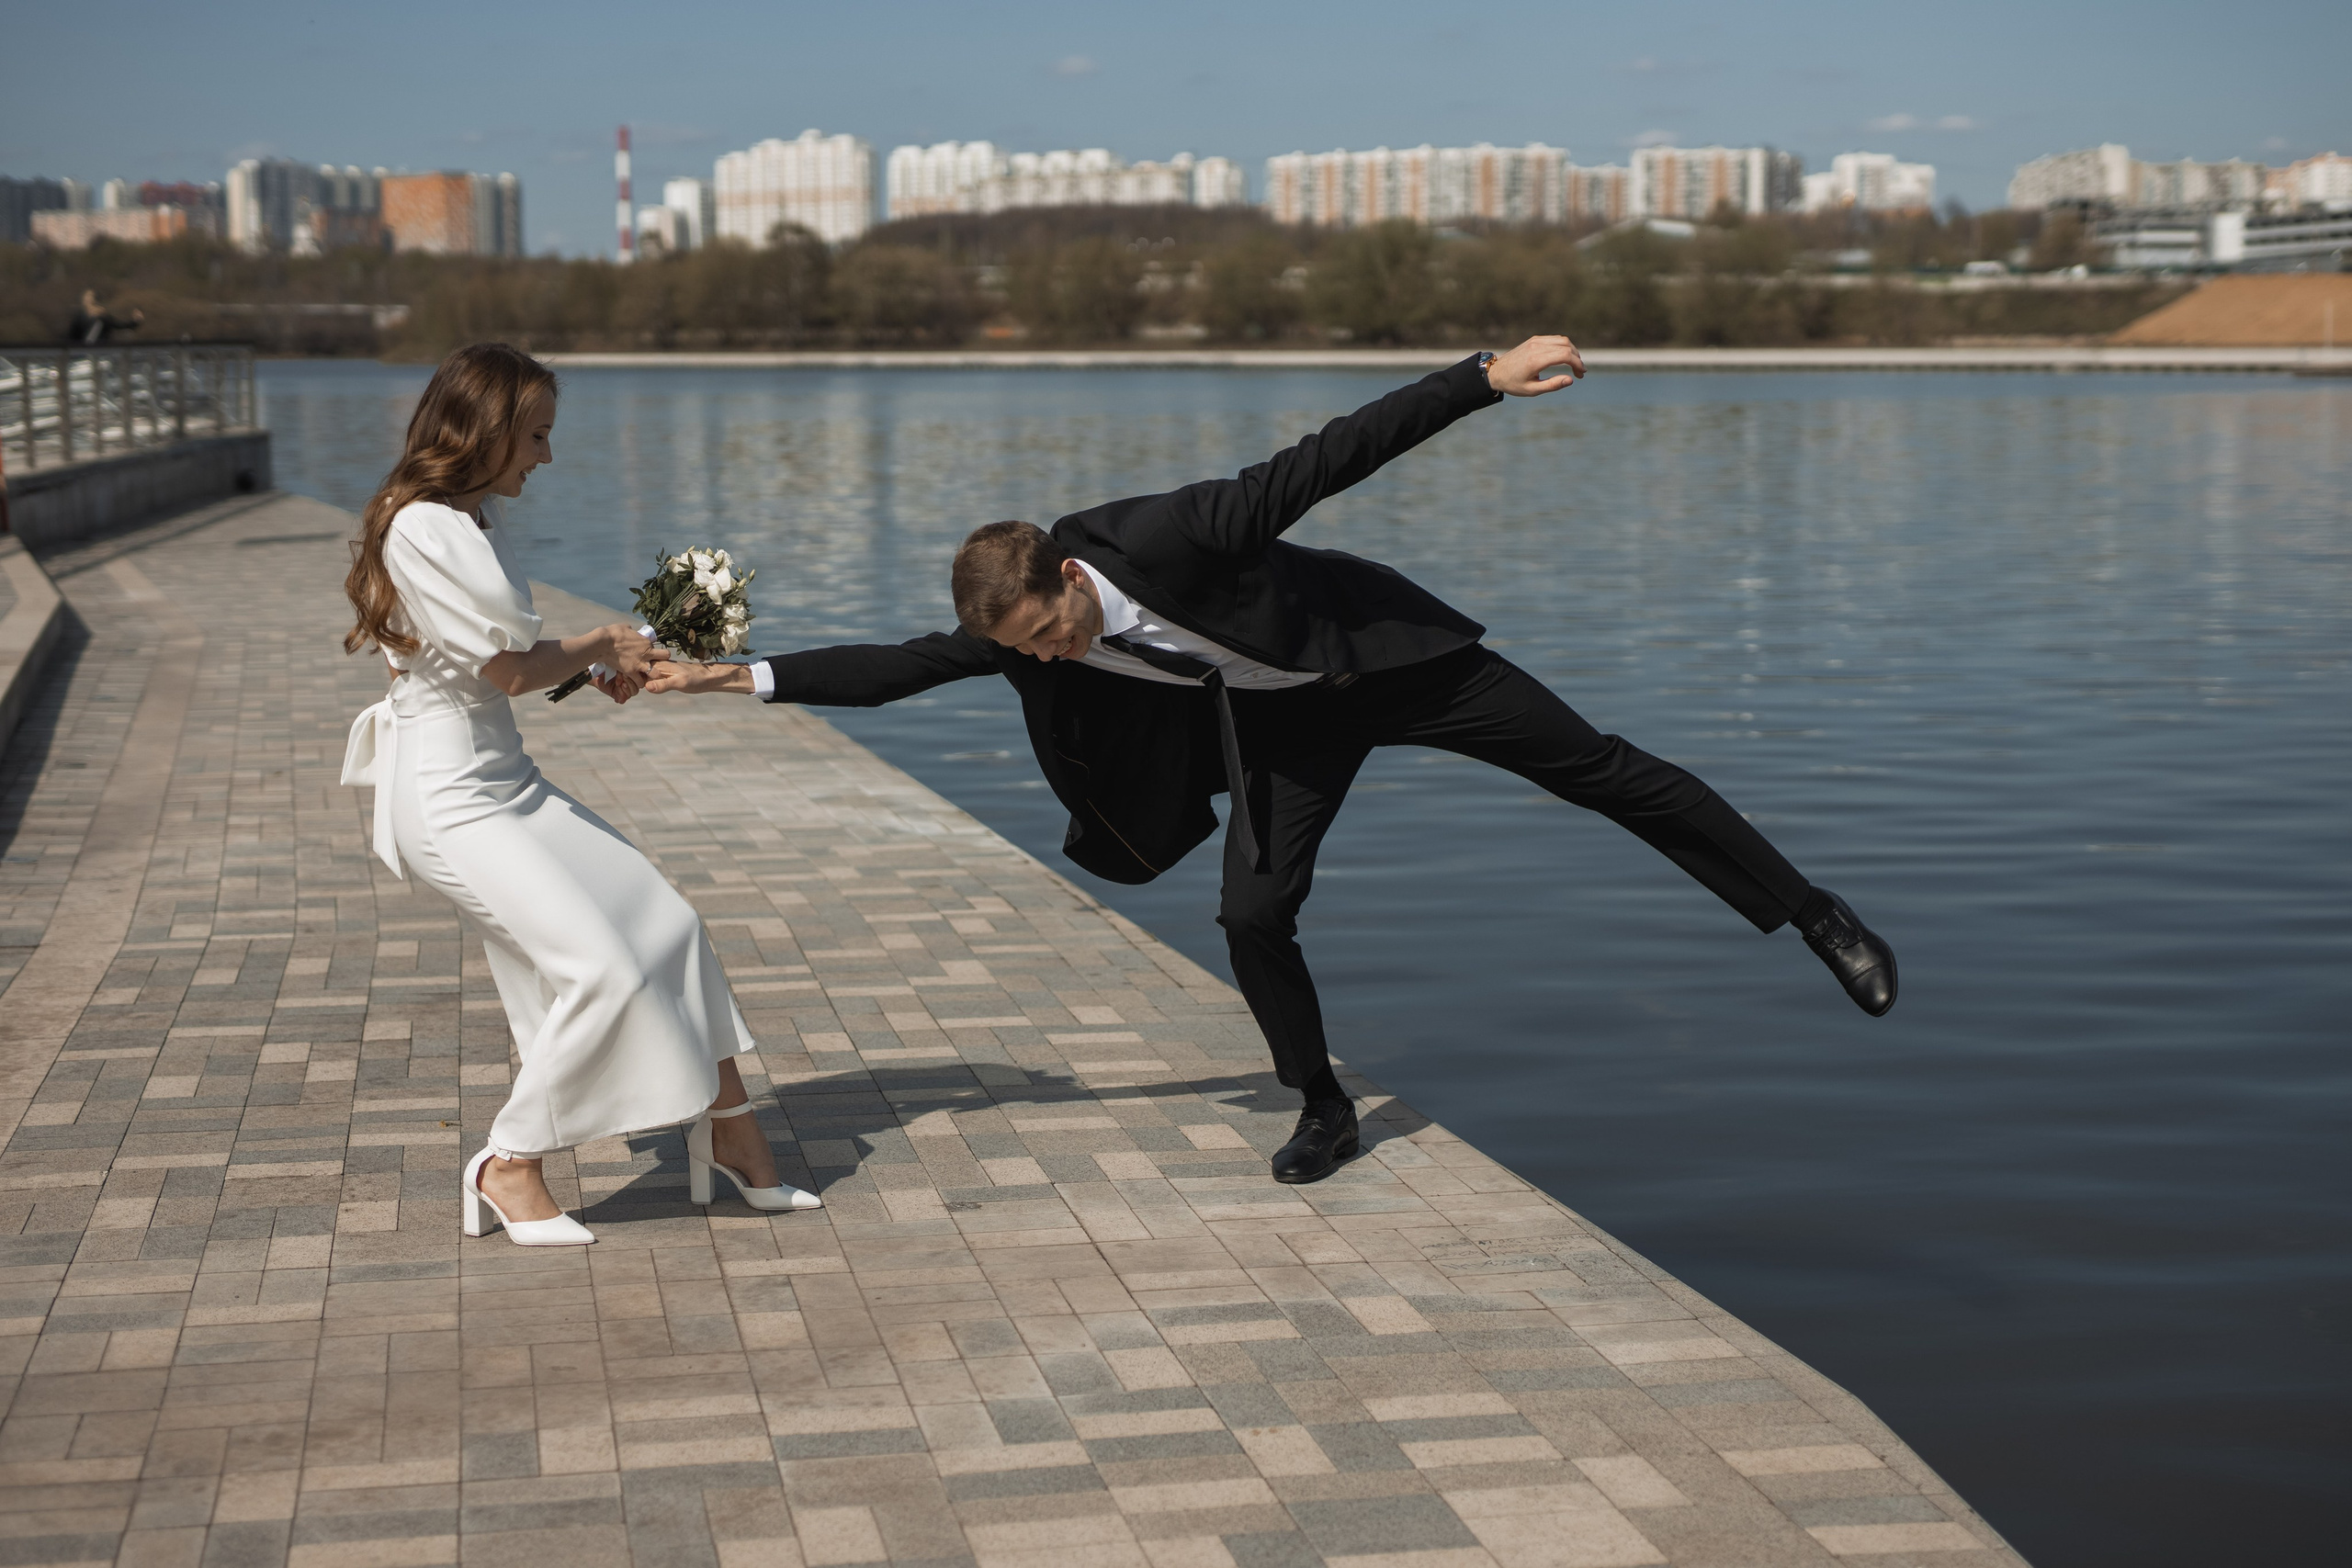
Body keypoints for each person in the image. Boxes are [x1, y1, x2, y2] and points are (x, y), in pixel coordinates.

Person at [646, 338, 1897, 1185]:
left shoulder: (1180, 533)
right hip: (1286, 723)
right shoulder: (1022, 641)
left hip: (1395, 661)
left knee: (1607, 769)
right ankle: (1322, 1102)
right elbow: (905, 663)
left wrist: (1484, 377)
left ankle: (1813, 911)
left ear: (1068, 577)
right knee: (1252, 909)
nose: (1053, 654)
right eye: (1027, 648)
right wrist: (733, 673)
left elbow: (1333, 452)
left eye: (1053, 629)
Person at [340, 342, 819, 1245]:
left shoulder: (471, 519)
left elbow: (496, 664)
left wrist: (600, 664)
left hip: (502, 778)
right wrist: (601, 640)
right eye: (536, 435)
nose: (546, 457)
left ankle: (733, 1135)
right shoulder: (424, 526)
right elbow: (509, 669)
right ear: (483, 430)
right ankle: (507, 1163)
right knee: (599, 968)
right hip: (449, 800)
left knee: (667, 926)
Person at [66, 288, 142, 344]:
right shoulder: (79, 317)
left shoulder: (102, 316)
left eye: (89, 296)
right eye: (86, 297)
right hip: (81, 353)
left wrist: (135, 322)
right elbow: (72, 335)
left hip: (100, 350)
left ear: (94, 299)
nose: (87, 299)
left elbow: (118, 324)